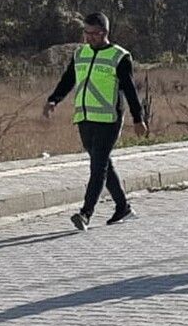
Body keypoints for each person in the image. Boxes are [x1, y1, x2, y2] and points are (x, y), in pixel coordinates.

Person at [44, 12, 148, 231]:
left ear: (105, 33)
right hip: (85, 117)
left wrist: (138, 119)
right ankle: (123, 207)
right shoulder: (80, 53)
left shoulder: (119, 56)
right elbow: (68, 80)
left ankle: (85, 213)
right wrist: (54, 99)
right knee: (102, 164)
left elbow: (130, 90)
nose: (89, 37)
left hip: (109, 119)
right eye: (86, 33)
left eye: (94, 33)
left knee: (97, 166)